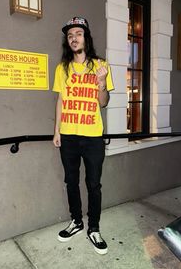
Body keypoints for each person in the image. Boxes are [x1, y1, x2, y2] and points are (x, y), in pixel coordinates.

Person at [52, 17, 114, 255]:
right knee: (71, 182)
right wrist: (56, 131)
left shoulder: (101, 65)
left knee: (94, 185)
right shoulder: (62, 68)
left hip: (92, 137)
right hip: (68, 136)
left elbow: (104, 102)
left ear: (86, 38)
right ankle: (76, 221)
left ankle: (94, 228)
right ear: (67, 41)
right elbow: (60, 100)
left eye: (78, 33)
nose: (74, 38)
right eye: (70, 35)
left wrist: (101, 82)